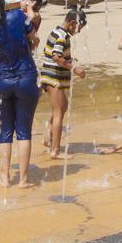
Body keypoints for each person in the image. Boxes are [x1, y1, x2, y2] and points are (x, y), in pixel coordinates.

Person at [0, 0, 40, 188]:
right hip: (26, 77)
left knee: (5, 130)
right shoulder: (18, 17)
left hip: (0, 80)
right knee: (24, 130)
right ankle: (23, 179)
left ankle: (4, 178)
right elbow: (34, 38)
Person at [40, 9, 87, 159]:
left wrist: (69, 61)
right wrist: (74, 68)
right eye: (79, 27)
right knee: (59, 113)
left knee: (63, 106)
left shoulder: (56, 31)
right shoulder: (62, 36)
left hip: (50, 77)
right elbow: (56, 56)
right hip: (54, 79)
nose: (78, 31)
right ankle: (55, 151)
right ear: (72, 23)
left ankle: (48, 134)